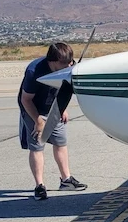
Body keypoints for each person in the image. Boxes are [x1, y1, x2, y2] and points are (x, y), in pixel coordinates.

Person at [18, 42, 87, 200]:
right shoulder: (34, 71)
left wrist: (62, 108)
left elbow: (65, 88)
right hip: (33, 109)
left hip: (54, 107)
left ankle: (66, 180)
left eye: (71, 62)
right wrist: (38, 120)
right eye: (65, 63)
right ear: (53, 61)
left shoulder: (68, 65)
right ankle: (40, 186)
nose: (69, 65)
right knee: (37, 146)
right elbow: (26, 99)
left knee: (61, 143)